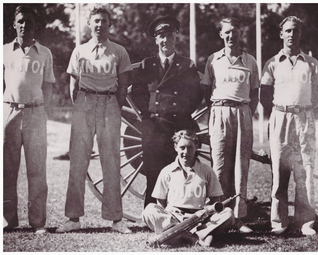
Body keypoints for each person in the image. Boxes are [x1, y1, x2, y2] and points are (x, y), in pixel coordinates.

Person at [56, 6, 132, 234]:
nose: (100, 25)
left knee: (111, 162)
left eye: (104, 21)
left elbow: (124, 83)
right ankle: (73, 218)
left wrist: (112, 104)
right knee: (78, 161)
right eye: (96, 21)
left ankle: (116, 219)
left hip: (109, 104)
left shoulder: (119, 51)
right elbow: (73, 85)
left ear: (110, 25)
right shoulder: (79, 51)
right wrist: (81, 105)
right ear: (90, 24)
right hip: (84, 104)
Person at [260, 16, 318, 236]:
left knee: (305, 168)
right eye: (287, 31)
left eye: (295, 31)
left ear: (301, 34)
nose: (291, 35)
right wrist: (280, 114)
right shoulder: (271, 63)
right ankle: (279, 221)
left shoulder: (311, 63)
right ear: (281, 34)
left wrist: (303, 110)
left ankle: (306, 221)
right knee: (279, 169)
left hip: (304, 118)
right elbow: (264, 95)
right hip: (280, 117)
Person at [129, 16, 202, 208]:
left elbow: (196, 94)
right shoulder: (147, 65)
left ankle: (181, 210)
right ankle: (152, 213)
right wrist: (148, 114)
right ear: (156, 40)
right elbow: (137, 92)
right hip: (153, 126)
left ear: (176, 37)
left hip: (179, 127)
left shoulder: (187, 65)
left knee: (182, 171)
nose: (165, 41)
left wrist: (182, 114)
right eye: (161, 36)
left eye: (169, 36)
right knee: (153, 172)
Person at [201, 17, 259, 233]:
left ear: (240, 34)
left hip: (243, 113)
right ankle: (219, 217)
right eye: (227, 32)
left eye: (235, 32)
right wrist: (220, 112)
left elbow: (255, 94)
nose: (231, 36)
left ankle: (239, 218)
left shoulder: (250, 61)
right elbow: (207, 92)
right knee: (220, 167)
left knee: (241, 167)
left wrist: (244, 113)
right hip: (219, 111)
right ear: (221, 34)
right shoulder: (213, 59)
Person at [3, 5, 55, 235]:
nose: (25, 26)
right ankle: (7, 220)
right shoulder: (3, 50)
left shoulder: (44, 53)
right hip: (9, 112)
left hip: (35, 113)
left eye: (29, 22)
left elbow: (49, 86)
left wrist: (44, 112)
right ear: (14, 24)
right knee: (6, 169)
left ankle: (38, 222)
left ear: (36, 26)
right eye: (21, 21)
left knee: (37, 170)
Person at [143, 130, 235, 247]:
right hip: (173, 218)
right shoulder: (166, 171)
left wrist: (203, 215)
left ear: (196, 147)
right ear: (175, 147)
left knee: (228, 213)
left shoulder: (206, 171)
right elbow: (160, 204)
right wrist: (168, 220)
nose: (186, 152)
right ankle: (194, 237)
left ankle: (176, 235)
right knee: (149, 210)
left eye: (190, 148)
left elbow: (215, 201)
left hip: (199, 218)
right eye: (182, 147)